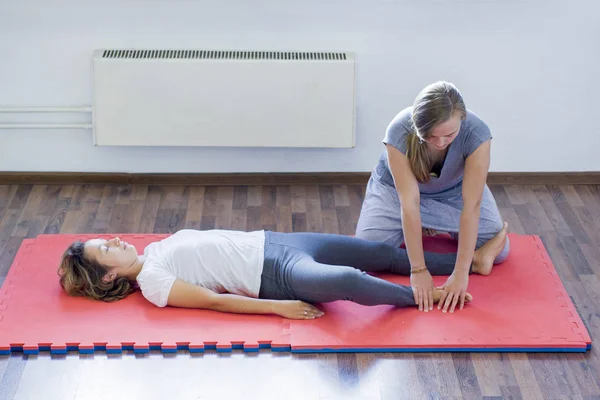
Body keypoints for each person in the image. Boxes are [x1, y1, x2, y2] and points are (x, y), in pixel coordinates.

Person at [58, 227, 508, 319]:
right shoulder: (153, 283)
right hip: (277, 273)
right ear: (106, 279)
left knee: (380, 252)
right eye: (106, 249)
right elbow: (214, 301)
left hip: (280, 240)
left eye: (108, 238)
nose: (116, 240)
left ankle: (474, 261)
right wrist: (280, 309)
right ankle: (427, 296)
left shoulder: (156, 247)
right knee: (348, 281)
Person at [356, 81, 510, 315]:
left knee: (502, 252)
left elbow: (472, 205)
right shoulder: (399, 130)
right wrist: (418, 270)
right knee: (366, 255)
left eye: (449, 135)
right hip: (394, 195)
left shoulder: (477, 133)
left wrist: (460, 273)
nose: (440, 143)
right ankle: (474, 258)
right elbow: (409, 202)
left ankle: (434, 228)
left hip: (454, 195)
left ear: (463, 119)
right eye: (430, 136)